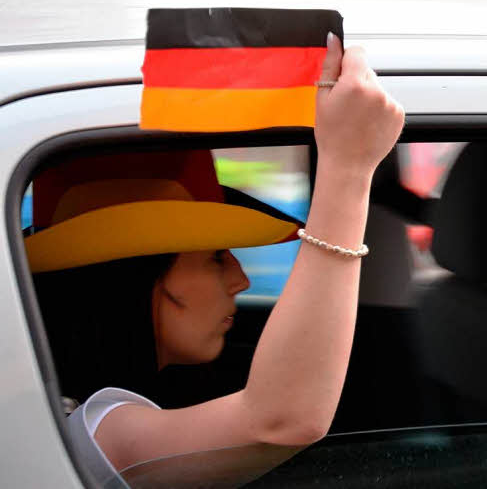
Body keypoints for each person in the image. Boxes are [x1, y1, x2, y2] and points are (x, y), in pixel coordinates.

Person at [28, 36, 404, 486]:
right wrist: (348, 166)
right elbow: (282, 423)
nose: (241, 280)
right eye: (214, 259)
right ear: (137, 274)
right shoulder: (103, 431)